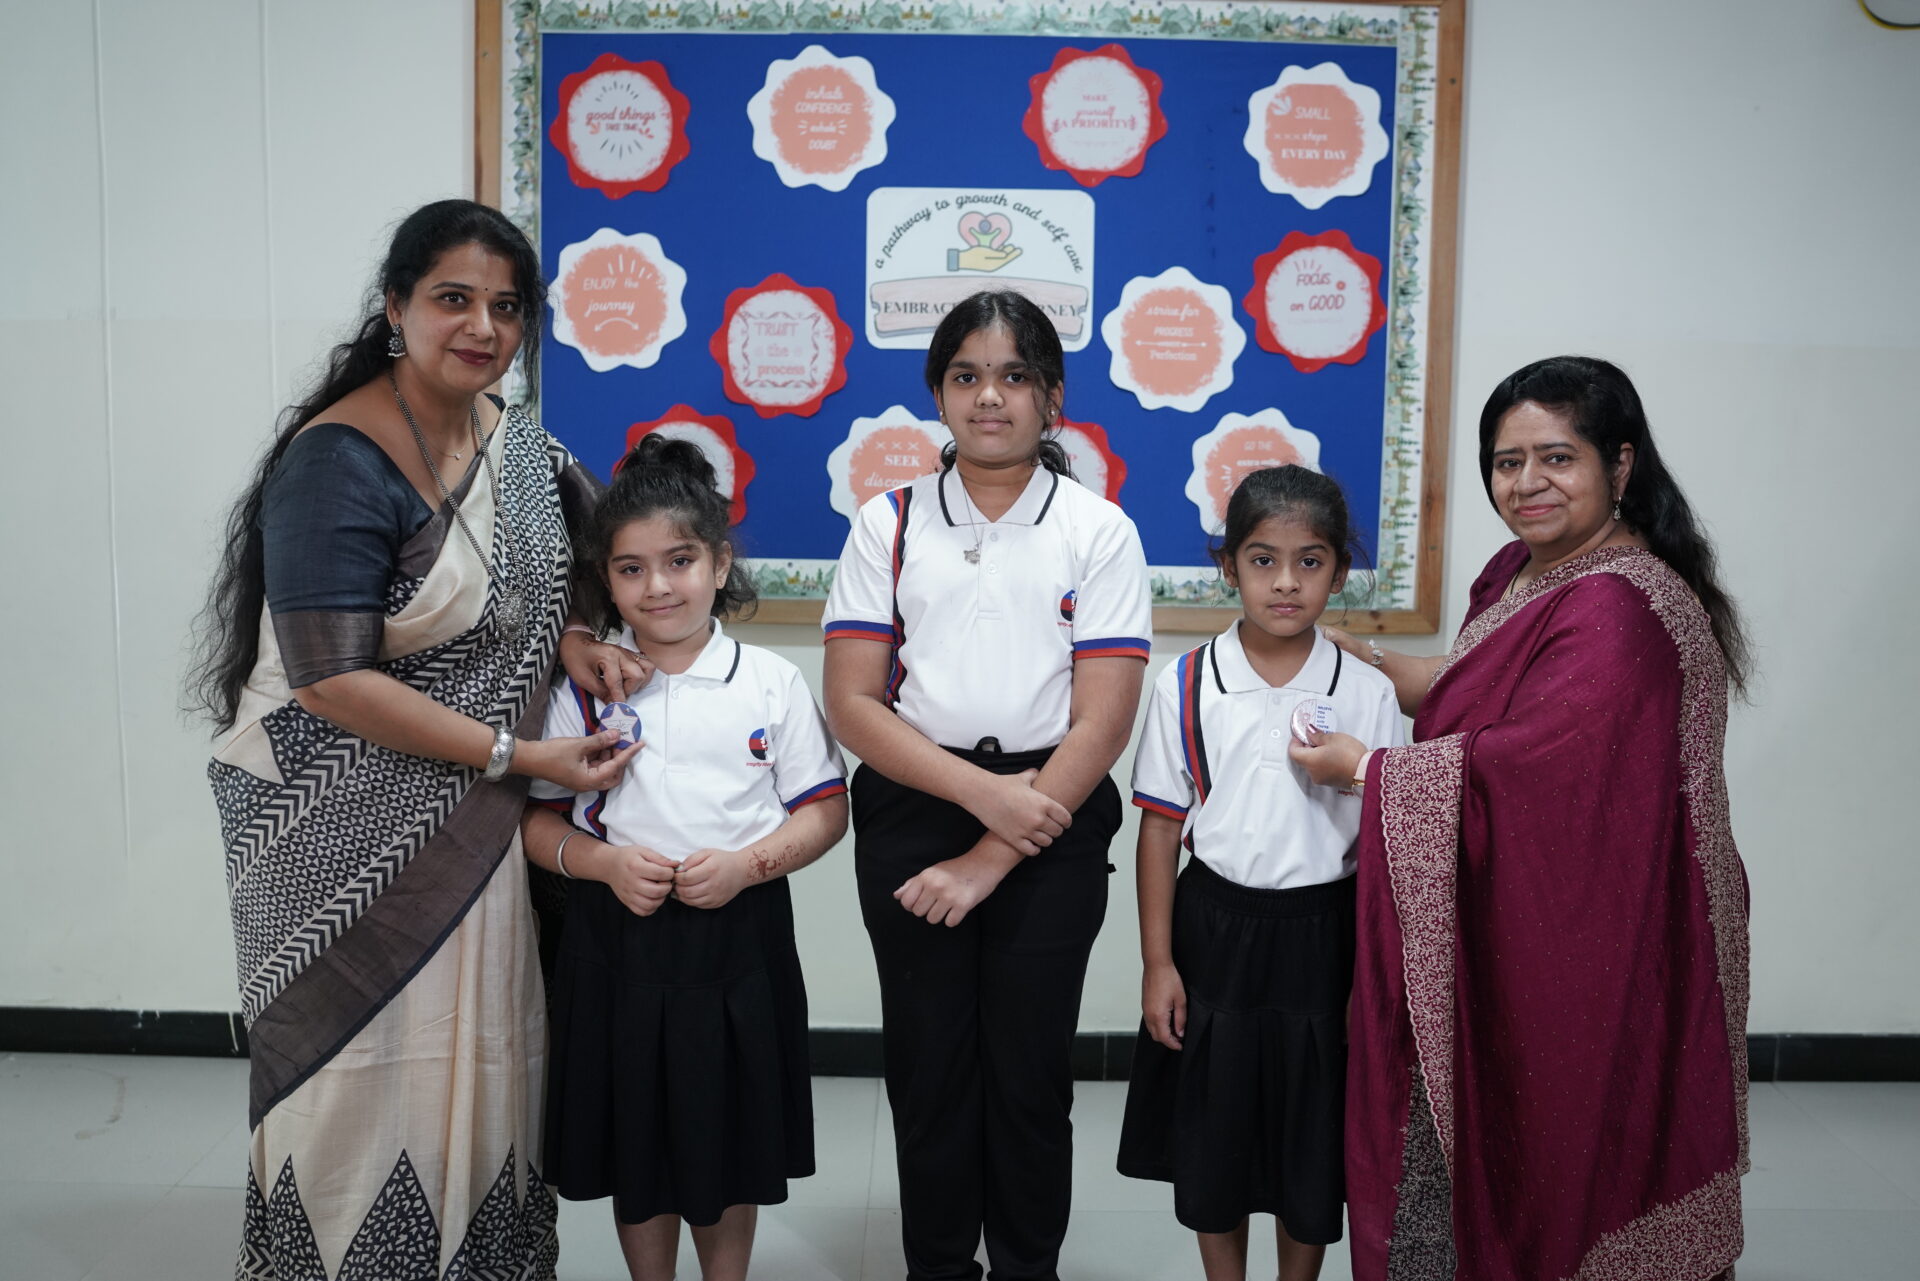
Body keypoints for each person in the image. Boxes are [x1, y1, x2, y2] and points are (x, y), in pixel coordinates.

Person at [190, 199, 648, 1279]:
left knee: (484, 1063)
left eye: (506, 306)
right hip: (334, 826)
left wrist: (580, 634)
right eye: (453, 299)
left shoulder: (519, 447)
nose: (482, 327)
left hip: (477, 836)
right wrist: (516, 756)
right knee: (363, 1083)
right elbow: (330, 676)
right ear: (396, 308)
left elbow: (593, 559)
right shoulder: (339, 457)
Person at [1295, 356, 1753, 1281]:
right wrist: (1374, 663)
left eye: (1557, 458)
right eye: (1507, 463)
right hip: (1559, 915)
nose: (1527, 484)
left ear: (1619, 466)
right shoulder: (1528, 569)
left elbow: (1532, 776)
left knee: (1579, 1154)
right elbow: (1487, 698)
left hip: (1616, 935)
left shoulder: (1620, 608)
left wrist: (1368, 769)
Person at [821, 289, 1151, 1281]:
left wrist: (997, 845)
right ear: (938, 392)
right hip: (914, 802)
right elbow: (853, 704)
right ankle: (936, 1267)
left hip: (1052, 805)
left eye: (1014, 377)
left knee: (1027, 1075)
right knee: (928, 1073)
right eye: (966, 376)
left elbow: (1103, 722)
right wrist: (980, 805)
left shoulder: (1099, 532)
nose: (990, 398)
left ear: (1051, 397)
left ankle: (1024, 1267)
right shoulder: (889, 523)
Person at [522, 434, 849, 1281]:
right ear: (605, 579)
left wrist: (750, 865)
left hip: (738, 943)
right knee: (641, 1141)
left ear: (719, 560)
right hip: (616, 944)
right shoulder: (583, 690)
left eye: (679, 560)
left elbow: (825, 811)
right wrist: (601, 866)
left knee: (728, 1139)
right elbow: (532, 824)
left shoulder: (770, 683)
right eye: (630, 569)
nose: (657, 586)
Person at [1117, 466, 1403, 1281]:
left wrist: (1372, 977)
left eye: (1310, 562)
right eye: (1263, 559)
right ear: (1228, 567)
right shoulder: (1185, 682)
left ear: (1339, 573)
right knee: (1217, 1129)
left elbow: (1385, 845)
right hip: (1214, 931)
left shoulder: (1369, 691)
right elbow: (1160, 830)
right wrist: (1158, 962)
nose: (1286, 582)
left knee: (1312, 1132)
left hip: (1328, 933)